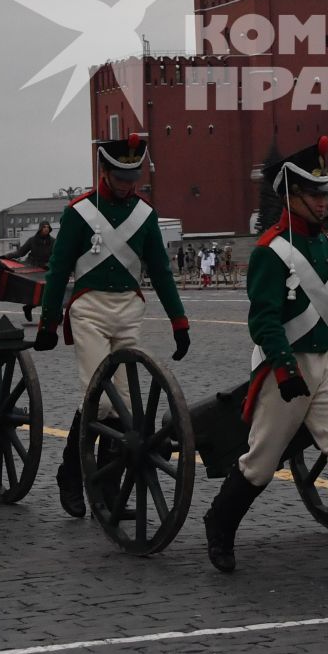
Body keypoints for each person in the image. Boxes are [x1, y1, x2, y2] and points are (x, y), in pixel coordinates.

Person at [203, 139, 328, 585]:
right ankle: (219, 524)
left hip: (325, 364)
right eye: (315, 194)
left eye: (325, 194)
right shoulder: (269, 250)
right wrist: (282, 368)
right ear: (292, 194)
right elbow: (263, 319)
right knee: (260, 463)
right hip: (284, 366)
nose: (324, 202)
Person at [33, 133, 190, 518]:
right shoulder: (79, 212)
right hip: (89, 311)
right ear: (104, 171)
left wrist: (179, 321)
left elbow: (161, 272)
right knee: (99, 401)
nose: (127, 184)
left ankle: (106, 488)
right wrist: (49, 322)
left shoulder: (144, 215)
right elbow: (58, 270)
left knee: (125, 408)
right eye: (121, 176)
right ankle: (71, 475)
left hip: (128, 313)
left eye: (132, 176)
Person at [8, 222, 54, 322]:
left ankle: (52, 313)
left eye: (47, 227)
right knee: (34, 292)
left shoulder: (53, 241)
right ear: (40, 229)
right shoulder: (32, 240)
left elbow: (56, 256)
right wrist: (7, 256)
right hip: (33, 268)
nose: (46, 229)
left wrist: (49, 265)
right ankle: (28, 307)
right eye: (44, 227)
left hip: (46, 269)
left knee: (48, 292)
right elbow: (20, 252)